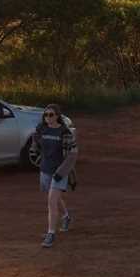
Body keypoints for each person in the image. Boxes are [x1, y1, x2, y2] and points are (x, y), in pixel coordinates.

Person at [32, 103, 78, 248]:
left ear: (57, 116)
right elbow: (36, 145)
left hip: (59, 172)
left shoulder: (65, 132)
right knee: (55, 198)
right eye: (46, 114)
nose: (48, 117)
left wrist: (61, 172)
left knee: (51, 201)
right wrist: (38, 157)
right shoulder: (41, 129)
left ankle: (51, 234)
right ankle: (66, 216)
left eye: (51, 115)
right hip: (45, 169)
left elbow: (72, 155)